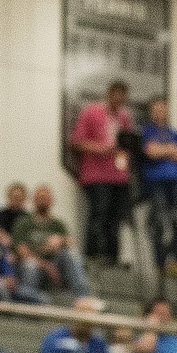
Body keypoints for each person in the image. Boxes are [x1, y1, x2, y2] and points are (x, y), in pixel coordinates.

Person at [69, 80, 134, 264]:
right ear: (109, 94)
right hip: (96, 175)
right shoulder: (91, 112)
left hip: (118, 177)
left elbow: (124, 146)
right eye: (116, 95)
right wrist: (101, 149)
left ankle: (112, 257)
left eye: (123, 97)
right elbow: (77, 141)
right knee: (99, 213)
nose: (119, 100)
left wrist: (123, 169)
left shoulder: (124, 117)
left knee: (115, 219)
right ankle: (92, 255)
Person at [11, 183, 91, 299]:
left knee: (71, 254)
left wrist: (61, 240)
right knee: (30, 264)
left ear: (51, 200)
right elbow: (22, 251)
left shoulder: (57, 224)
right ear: (33, 200)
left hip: (56, 266)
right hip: (33, 267)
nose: (43, 200)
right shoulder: (23, 222)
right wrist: (46, 266)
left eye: (45, 197)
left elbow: (72, 244)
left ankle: (84, 298)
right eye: (40, 197)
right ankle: (28, 300)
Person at [139, 96, 177, 278]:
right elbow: (150, 151)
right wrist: (171, 150)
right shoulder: (146, 131)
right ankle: (159, 263)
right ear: (151, 111)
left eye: (162, 109)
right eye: (156, 109)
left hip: (176, 182)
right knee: (159, 222)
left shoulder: (176, 134)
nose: (159, 112)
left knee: (176, 221)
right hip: (155, 182)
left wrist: (163, 150)